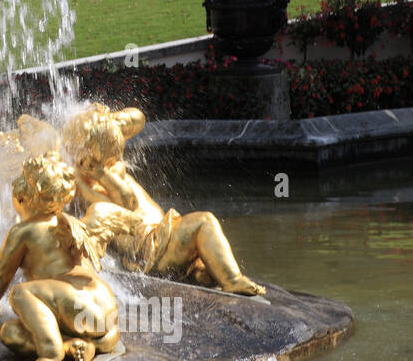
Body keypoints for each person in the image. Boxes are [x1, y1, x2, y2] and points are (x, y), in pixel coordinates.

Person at [64, 104, 266, 296]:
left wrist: (109, 120)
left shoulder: (107, 169)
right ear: (90, 156)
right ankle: (232, 280)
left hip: (163, 235)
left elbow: (138, 118)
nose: (116, 158)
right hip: (151, 248)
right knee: (204, 221)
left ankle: (197, 271)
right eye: (109, 153)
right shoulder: (86, 188)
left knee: (205, 272)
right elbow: (127, 203)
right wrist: (100, 173)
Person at [0, 151, 119, 361]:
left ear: (24, 197)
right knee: (10, 333)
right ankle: (77, 346)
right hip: (102, 312)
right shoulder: (71, 224)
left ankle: (52, 354)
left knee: (20, 294)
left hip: (78, 306)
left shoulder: (24, 231)